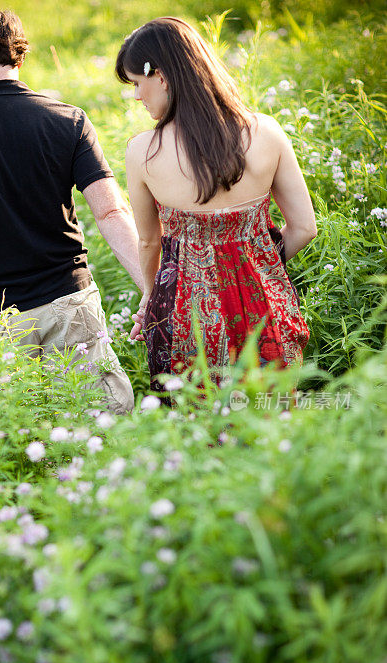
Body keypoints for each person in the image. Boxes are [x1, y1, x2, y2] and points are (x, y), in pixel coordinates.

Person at [0, 7, 143, 414]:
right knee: (107, 430)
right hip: (68, 303)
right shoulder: (68, 120)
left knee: (18, 449)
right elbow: (111, 213)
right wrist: (149, 286)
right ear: (21, 56)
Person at [115, 17, 316, 393]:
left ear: (161, 76)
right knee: (272, 425)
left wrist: (151, 294)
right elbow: (304, 227)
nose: (138, 96)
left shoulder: (143, 151)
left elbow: (149, 243)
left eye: (137, 84)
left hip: (185, 318)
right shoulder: (266, 131)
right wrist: (258, 266)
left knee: (198, 428)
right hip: (266, 311)